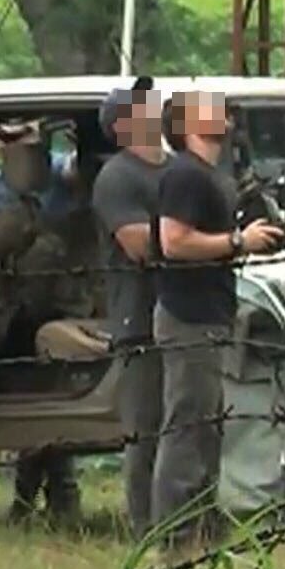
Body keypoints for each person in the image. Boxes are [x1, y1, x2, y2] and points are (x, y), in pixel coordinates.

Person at [153, 90, 284, 553]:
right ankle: (175, 538)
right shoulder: (186, 174)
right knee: (187, 428)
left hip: (208, 313)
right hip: (188, 316)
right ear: (188, 122)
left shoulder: (209, 175)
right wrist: (237, 241)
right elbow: (174, 243)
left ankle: (203, 532)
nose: (223, 110)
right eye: (209, 105)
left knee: (207, 428)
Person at [0, 120, 83, 527]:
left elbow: (78, 174)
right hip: (14, 311)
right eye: (7, 137)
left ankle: (48, 499)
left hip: (63, 302)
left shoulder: (60, 172)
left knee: (48, 399)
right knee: (33, 402)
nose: (16, 146)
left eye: (25, 136)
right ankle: (49, 498)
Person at [90, 76, 169, 541]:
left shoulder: (179, 167)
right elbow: (140, 245)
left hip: (188, 313)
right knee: (146, 430)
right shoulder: (118, 177)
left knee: (191, 425)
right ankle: (147, 529)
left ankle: (189, 518)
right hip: (140, 317)